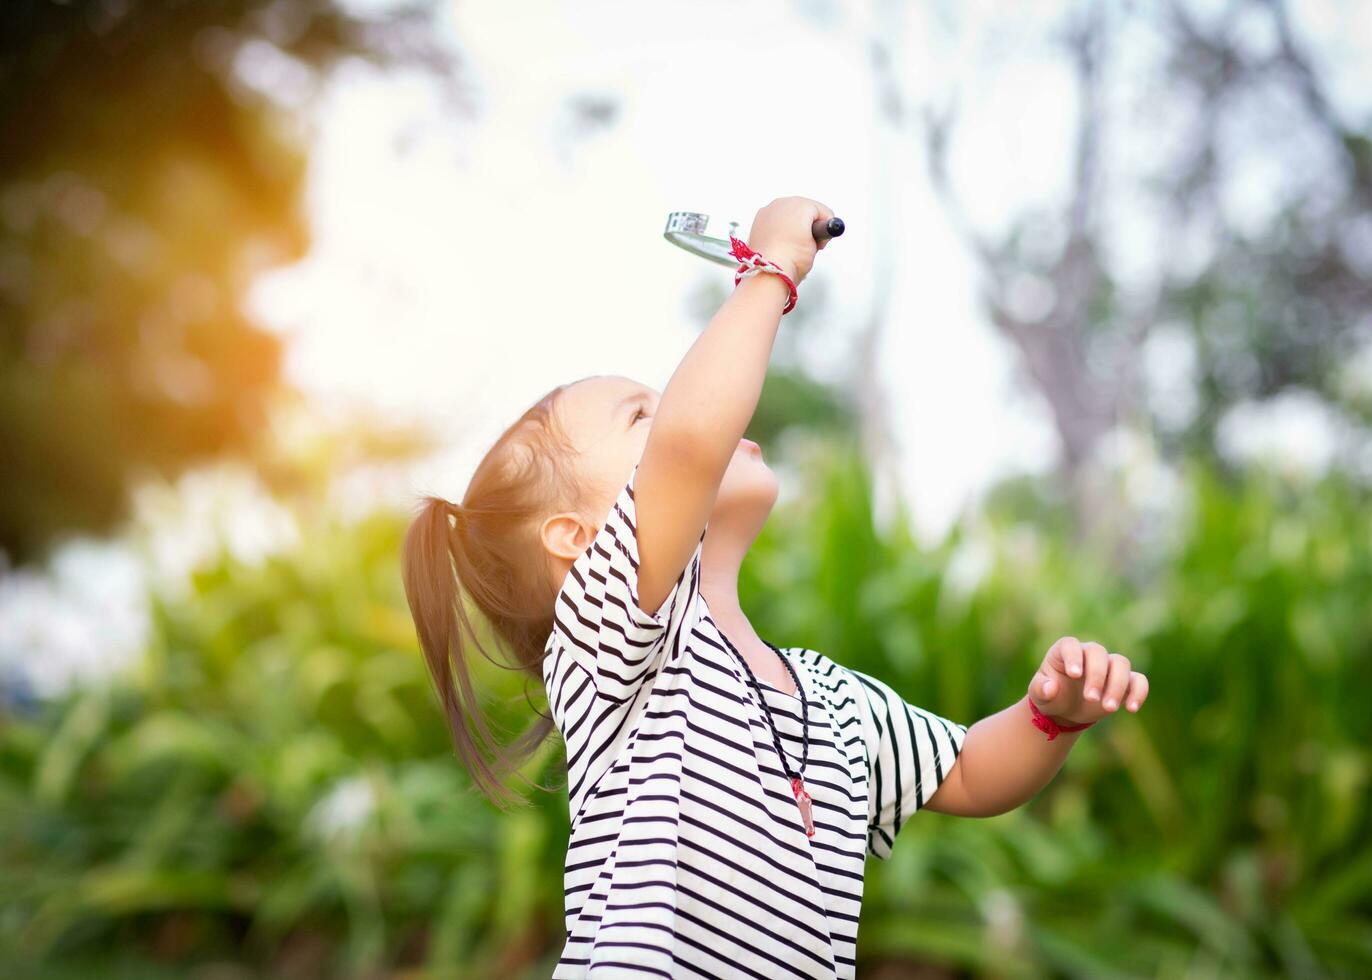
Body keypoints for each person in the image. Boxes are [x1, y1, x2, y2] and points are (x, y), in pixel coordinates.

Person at [401, 196, 1151, 979]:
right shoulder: (610, 646)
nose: (691, 413)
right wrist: (768, 273)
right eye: (641, 417)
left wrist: (1049, 717)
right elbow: (690, 443)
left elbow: (966, 769)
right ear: (580, 544)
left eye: (669, 405)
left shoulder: (827, 696)